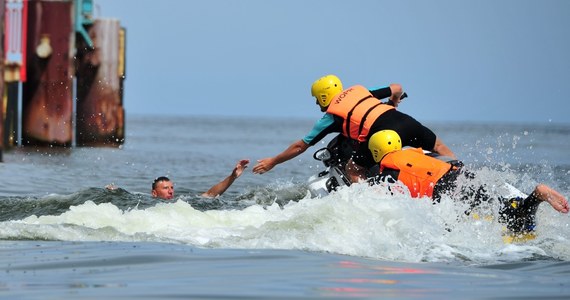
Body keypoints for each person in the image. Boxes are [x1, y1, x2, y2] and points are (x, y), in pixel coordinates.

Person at [252, 74, 455, 183]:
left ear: (323, 96)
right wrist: (393, 102)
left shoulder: (330, 117)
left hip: (381, 133)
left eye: (316, 99)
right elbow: (396, 87)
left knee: (353, 168)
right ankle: (461, 173)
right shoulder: (361, 92)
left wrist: (273, 161)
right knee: (438, 145)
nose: (316, 103)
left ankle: (370, 202)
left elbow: (300, 146)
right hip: (404, 120)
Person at [367, 129, 569, 234]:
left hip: (446, 190)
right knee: (499, 209)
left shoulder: (385, 174)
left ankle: (535, 197)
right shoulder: (412, 153)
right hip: (460, 175)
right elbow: (443, 158)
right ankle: (529, 199)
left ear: (376, 152)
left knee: (514, 224)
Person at [107, 159, 250, 200]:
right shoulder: (145, 200)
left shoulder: (180, 201)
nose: (170, 191)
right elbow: (129, 196)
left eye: (171, 187)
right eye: (165, 188)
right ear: (154, 193)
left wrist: (232, 177)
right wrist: (116, 192)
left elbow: (210, 194)